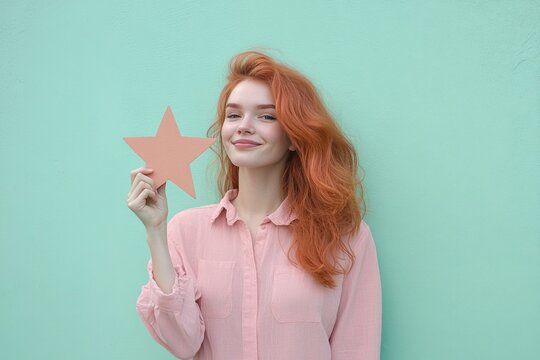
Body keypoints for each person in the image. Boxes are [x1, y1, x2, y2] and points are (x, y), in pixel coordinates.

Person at [128, 49, 382, 360]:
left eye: (266, 116)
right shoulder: (185, 230)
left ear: (293, 135)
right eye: (233, 115)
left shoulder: (347, 237)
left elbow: (356, 350)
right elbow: (183, 343)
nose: (243, 126)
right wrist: (155, 230)